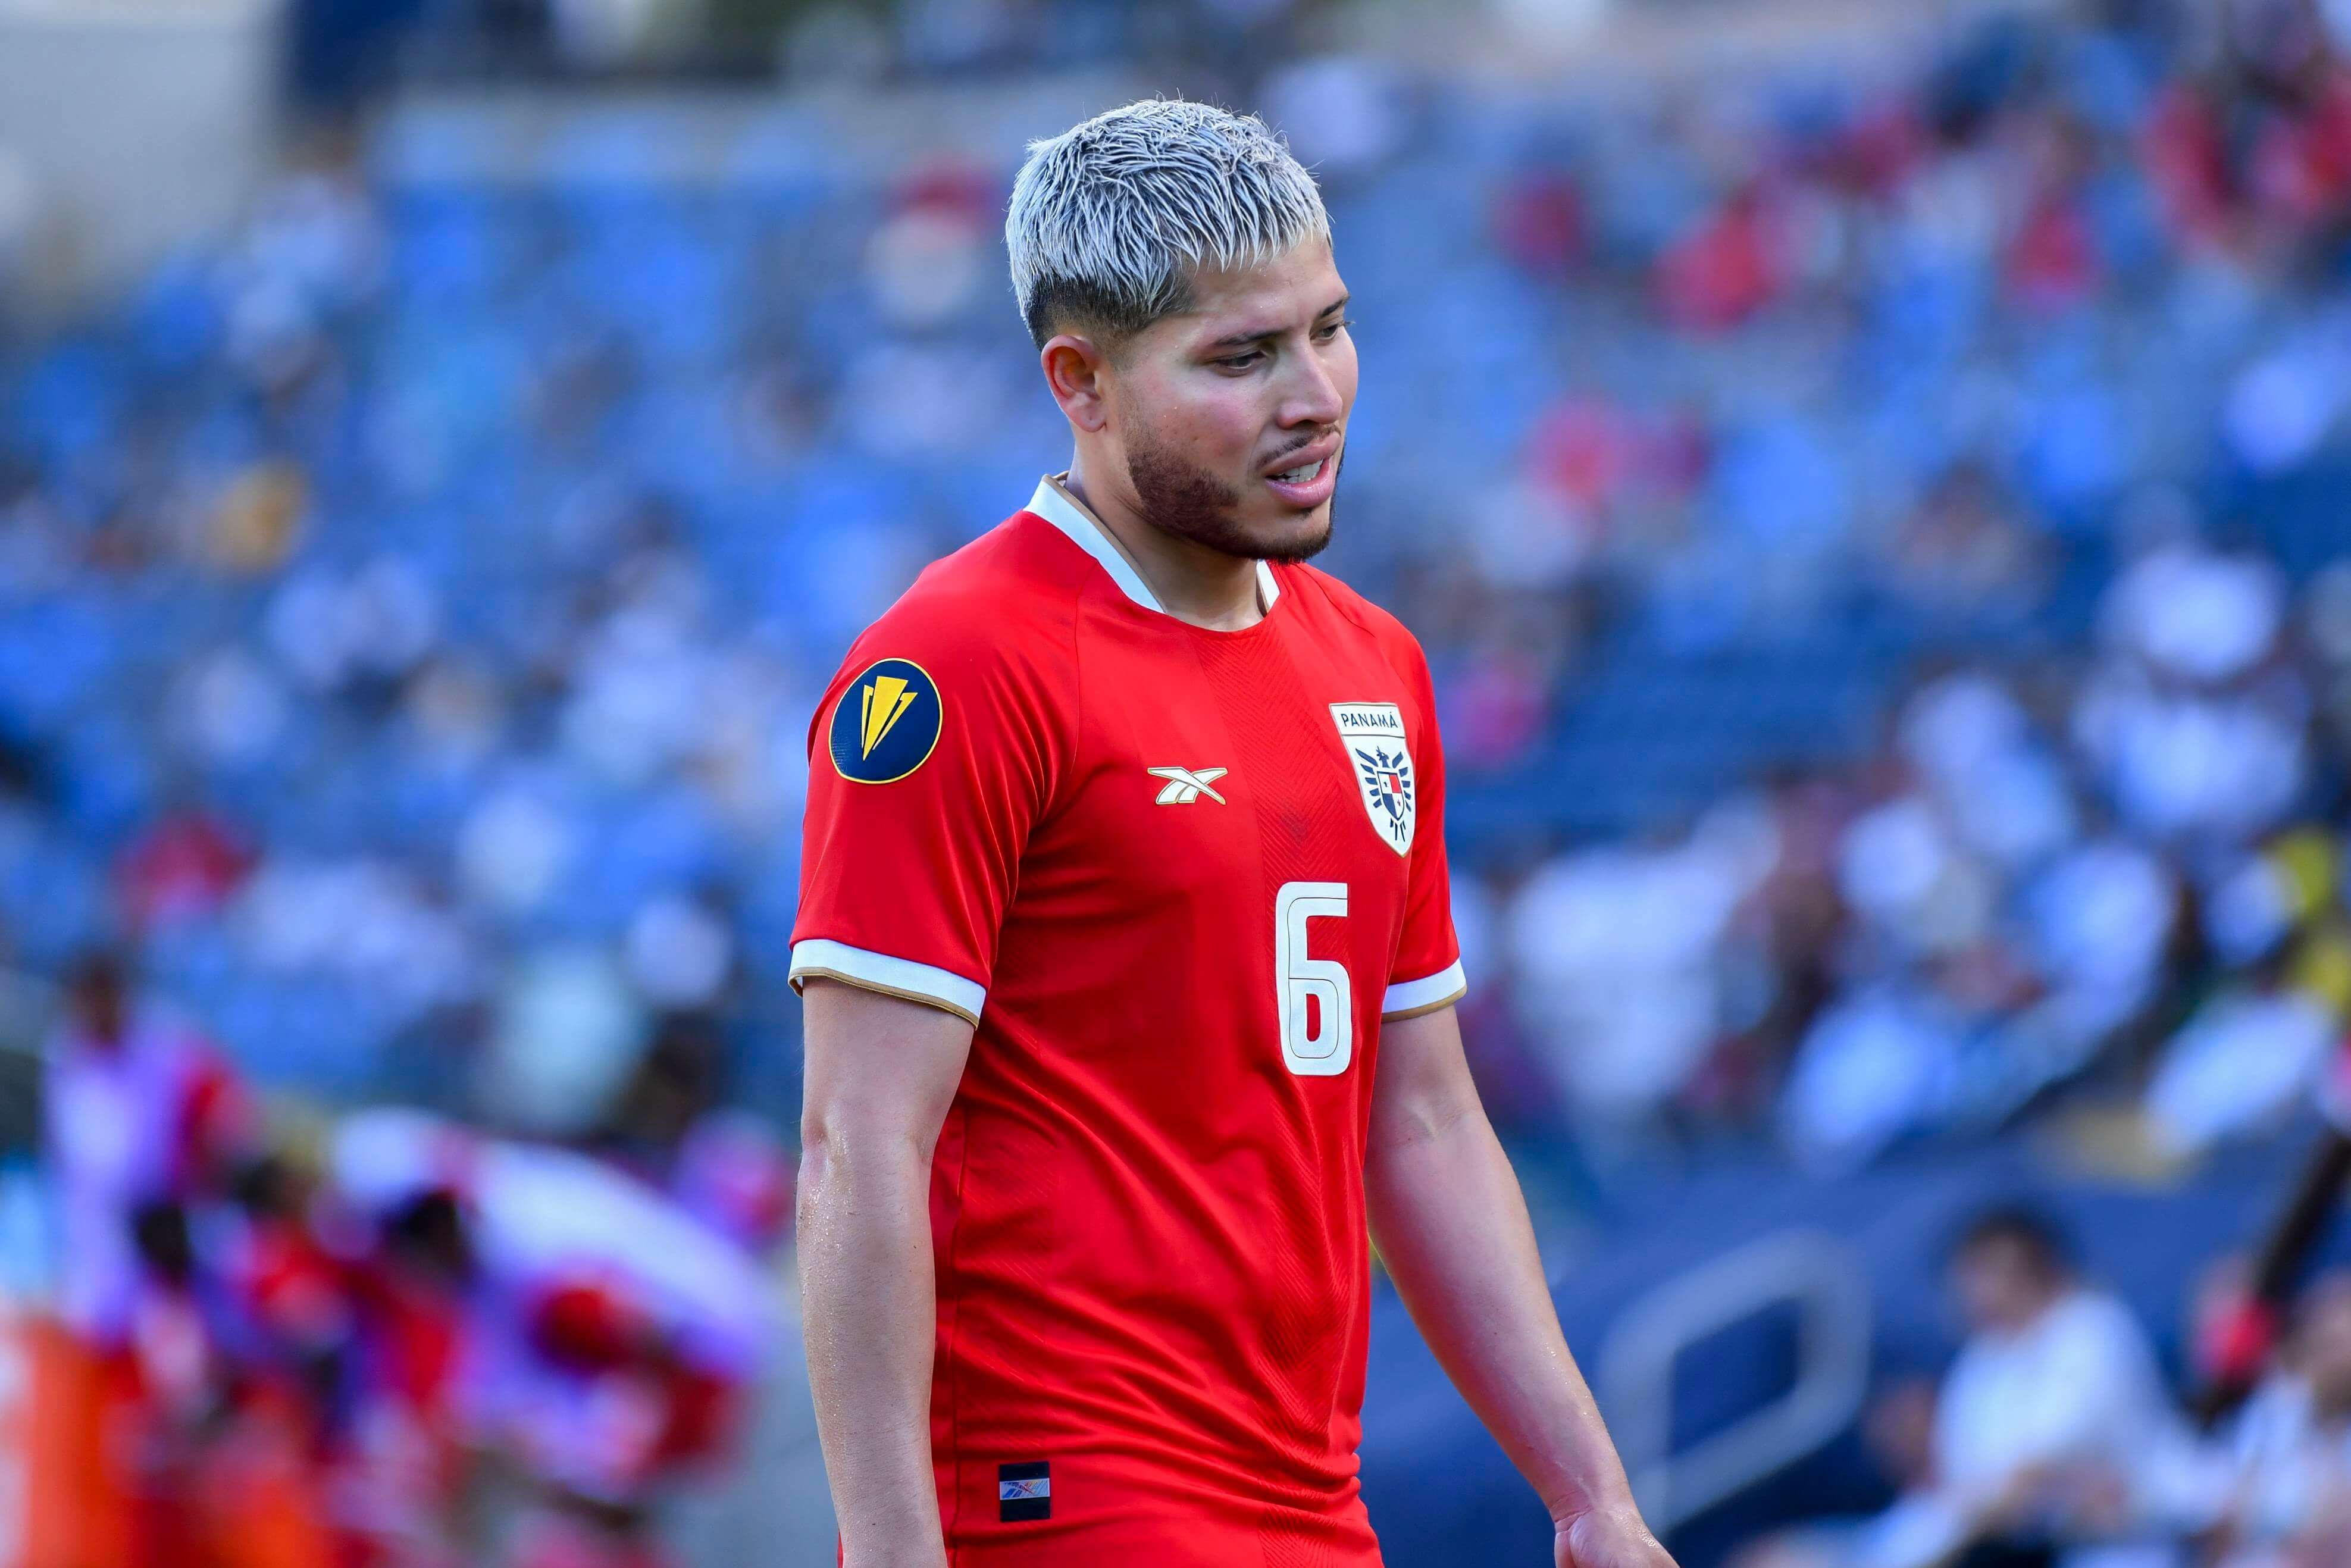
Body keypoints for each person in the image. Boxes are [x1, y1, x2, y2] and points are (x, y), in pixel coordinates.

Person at [790, 98, 1674, 1568]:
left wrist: (1592, 1496)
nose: (1314, 394)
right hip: (1059, 1492)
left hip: (1309, 1496)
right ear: (1080, 381)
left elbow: (1421, 1119)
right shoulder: (957, 665)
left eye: (1328, 328)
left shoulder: (1374, 666)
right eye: (1241, 357)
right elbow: (858, 1141)